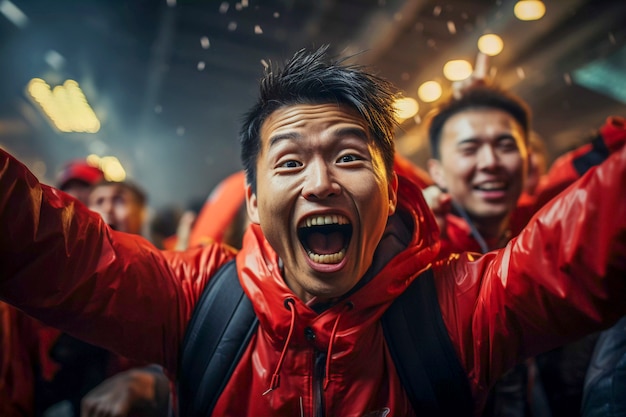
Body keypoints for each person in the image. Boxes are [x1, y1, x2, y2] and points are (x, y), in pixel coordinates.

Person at [1, 45, 625, 416]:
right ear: (250, 200)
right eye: (290, 162)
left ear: (390, 193)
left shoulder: (462, 307)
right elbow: (46, 248)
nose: (321, 182)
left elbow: (587, 241)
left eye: (351, 157)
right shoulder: (195, 299)